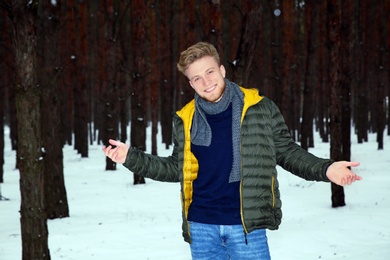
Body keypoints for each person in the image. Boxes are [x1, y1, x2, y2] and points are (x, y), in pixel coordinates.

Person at [102, 42, 362, 260]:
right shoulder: (185, 118)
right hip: (202, 226)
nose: (206, 82)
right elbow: (175, 168)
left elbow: (286, 151)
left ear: (222, 70)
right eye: (196, 78)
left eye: (210, 72)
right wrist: (130, 158)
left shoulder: (259, 108)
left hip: (246, 226)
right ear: (191, 84)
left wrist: (326, 168)